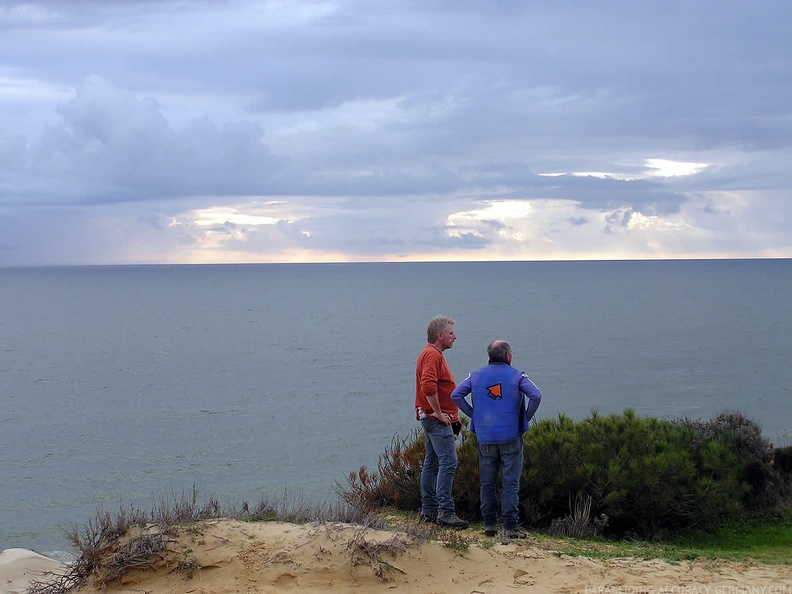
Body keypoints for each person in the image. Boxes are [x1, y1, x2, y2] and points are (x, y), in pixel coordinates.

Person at [451, 340, 542, 538]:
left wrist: (473, 414)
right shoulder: (518, 376)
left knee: (487, 484)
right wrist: (524, 418)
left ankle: (490, 525)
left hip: (485, 438)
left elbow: (456, 395)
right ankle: (510, 527)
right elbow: (536, 395)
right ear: (508, 356)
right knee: (510, 484)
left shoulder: (475, 376)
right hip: (511, 437)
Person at [414, 315, 469, 529]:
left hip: (429, 417)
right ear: (440, 336)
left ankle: (428, 510)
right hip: (436, 419)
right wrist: (438, 412)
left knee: (432, 462)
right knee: (448, 462)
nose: (454, 336)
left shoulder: (430, 353)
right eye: (451, 333)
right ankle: (445, 512)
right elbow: (428, 386)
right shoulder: (432, 355)